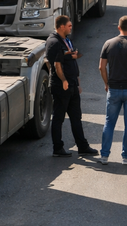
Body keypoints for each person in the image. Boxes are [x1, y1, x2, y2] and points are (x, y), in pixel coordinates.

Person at [97, 16, 127, 166]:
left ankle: (104, 156)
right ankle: (126, 156)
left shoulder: (108, 44)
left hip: (114, 88)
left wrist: (107, 83)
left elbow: (101, 67)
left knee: (109, 122)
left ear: (119, 27)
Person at [48, 15, 97, 157]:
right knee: (58, 118)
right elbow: (57, 65)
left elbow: (72, 62)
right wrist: (64, 81)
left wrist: (77, 82)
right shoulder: (54, 42)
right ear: (61, 26)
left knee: (76, 117)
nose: (71, 27)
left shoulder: (66, 40)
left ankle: (82, 146)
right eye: (69, 25)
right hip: (61, 86)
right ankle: (58, 148)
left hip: (73, 86)